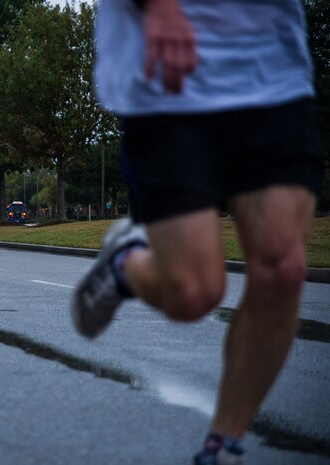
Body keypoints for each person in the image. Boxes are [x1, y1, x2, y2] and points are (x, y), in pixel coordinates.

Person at [72, 1, 322, 464]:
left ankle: (222, 445)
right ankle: (127, 263)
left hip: (272, 73)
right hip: (168, 78)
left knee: (283, 270)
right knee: (193, 292)